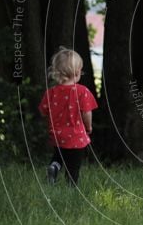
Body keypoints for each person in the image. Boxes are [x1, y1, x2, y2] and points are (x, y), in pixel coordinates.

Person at [38, 48, 98, 186]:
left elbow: (43, 112)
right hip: (76, 136)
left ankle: (54, 166)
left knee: (59, 155)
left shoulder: (51, 92)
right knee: (73, 165)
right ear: (77, 72)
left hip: (57, 135)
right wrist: (88, 127)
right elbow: (87, 113)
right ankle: (71, 187)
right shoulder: (82, 92)